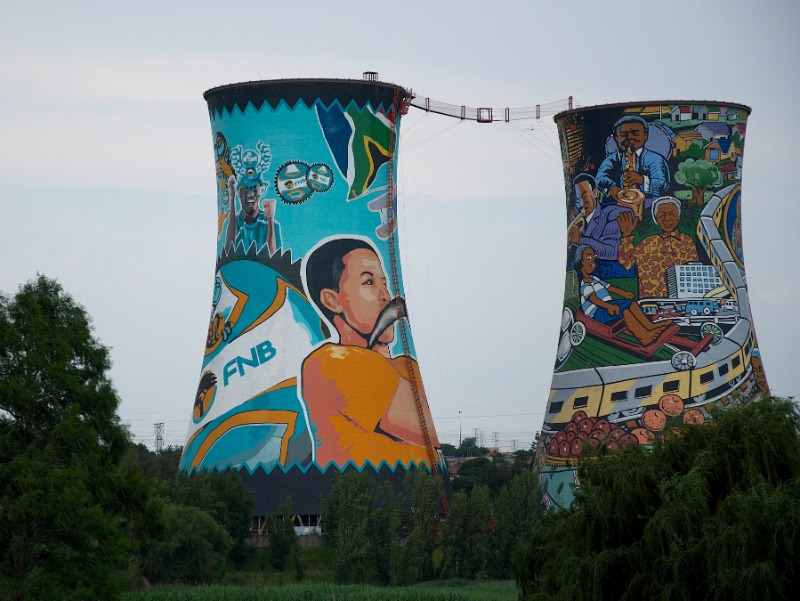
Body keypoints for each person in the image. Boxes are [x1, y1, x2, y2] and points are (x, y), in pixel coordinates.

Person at [301, 236, 438, 468]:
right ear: (332, 300)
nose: (386, 294)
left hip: (410, 498)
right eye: (369, 283)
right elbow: (426, 430)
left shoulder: (405, 366)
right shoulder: (332, 362)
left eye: (384, 282)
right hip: (358, 493)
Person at [575, 244, 667, 346]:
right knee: (625, 311)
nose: (593, 261)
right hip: (597, 313)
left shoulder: (594, 278)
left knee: (630, 303)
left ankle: (650, 326)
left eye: (594, 257)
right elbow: (594, 299)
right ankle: (644, 337)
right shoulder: (585, 284)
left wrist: (624, 293)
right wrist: (609, 306)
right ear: (581, 262)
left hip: (606, 306)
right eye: (589, 258)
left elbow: (610, 287)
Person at [618, 196, 699, 299]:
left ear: (678, 217)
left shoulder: (687, 241)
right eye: (662, 215)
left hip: (684, 301)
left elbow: (695, 271)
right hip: (653, 301)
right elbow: (626, 263)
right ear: (656, 219)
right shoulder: (648, 243)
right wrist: (626, 236)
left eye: (671, 214)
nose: (666, 219)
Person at [568, 173, 633, 277]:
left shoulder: (611, 214)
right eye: (577, 199)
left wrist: (580, 240)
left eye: (584, 196)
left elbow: (612, 251)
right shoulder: (577, 219)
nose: (581, 203)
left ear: (594, 193)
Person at [595, 115, 670, 205]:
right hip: (619, 204)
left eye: (635, 133)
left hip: (648, 204)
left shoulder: (655, 159)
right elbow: (599, 178)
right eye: (623, 134)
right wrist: (612, 188)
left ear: (645, 136)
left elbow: (662, 184)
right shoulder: (612, 159)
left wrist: (642, 180)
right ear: (616, 138)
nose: (629, 138)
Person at [225, 174, 282, 254]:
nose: (251, 194)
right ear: (239, 194)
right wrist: (232, 199)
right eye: (246, 190)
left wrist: (270, 219)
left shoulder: (272, 225)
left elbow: (273, 261)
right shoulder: (235, 225)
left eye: (255, 189)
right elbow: (228, 255)